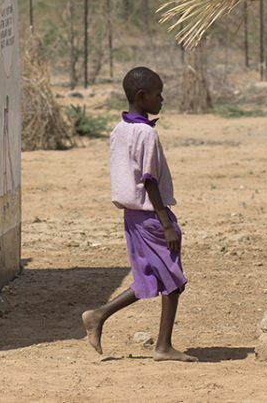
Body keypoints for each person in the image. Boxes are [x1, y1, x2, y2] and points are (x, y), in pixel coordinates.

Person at [82, 66, 194, 361]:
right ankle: (162, 346)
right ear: (142, 96)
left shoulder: (119, 130)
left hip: (132, 217)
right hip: (151, 215)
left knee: (152, 278)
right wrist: (166, 223)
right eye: (158, 94)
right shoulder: (146, 134)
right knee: (173, 279)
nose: (163, 99)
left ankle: (98, 316)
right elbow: (149, 180)